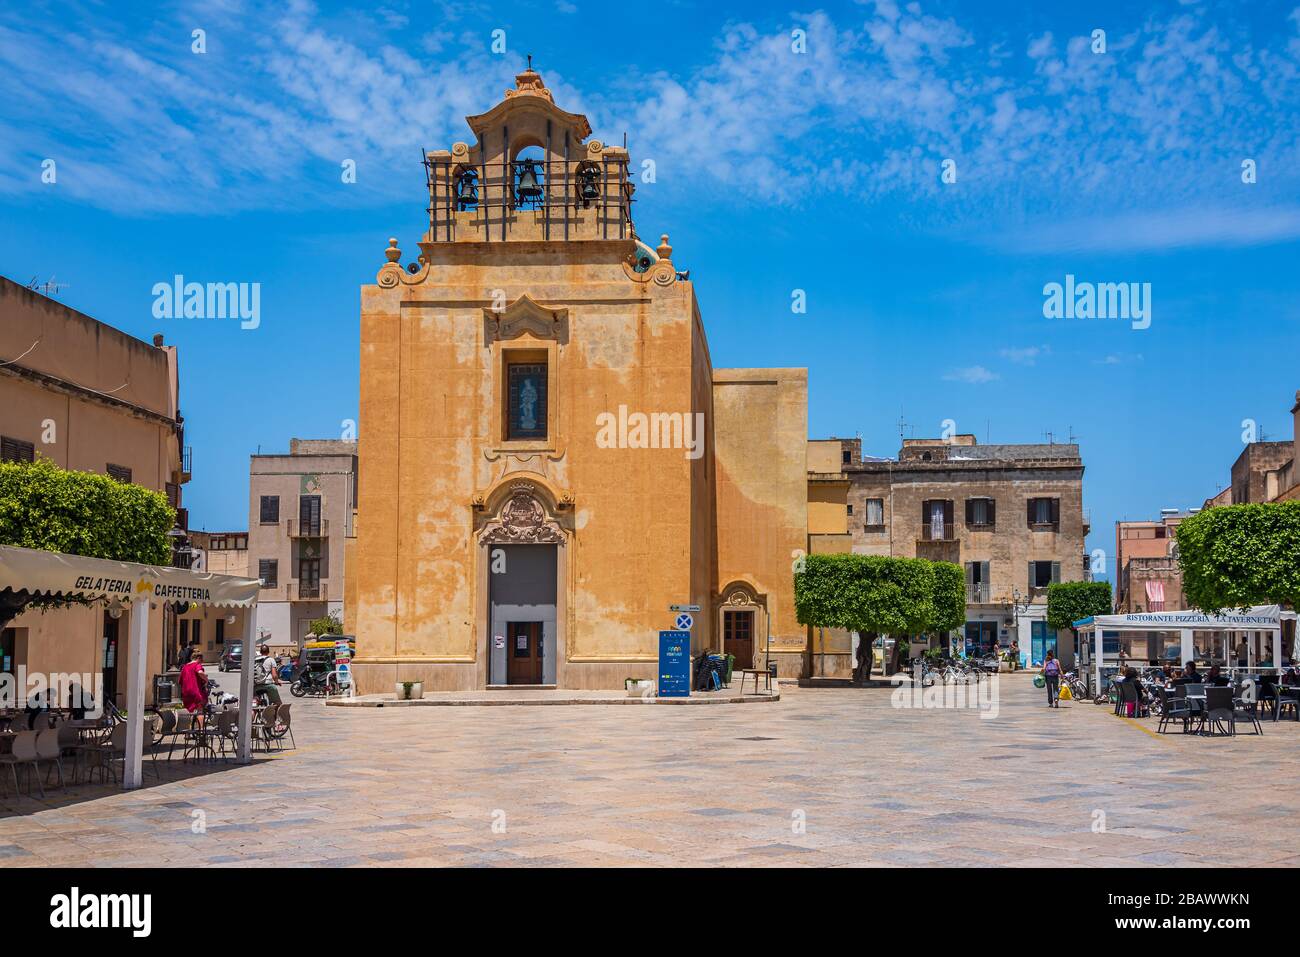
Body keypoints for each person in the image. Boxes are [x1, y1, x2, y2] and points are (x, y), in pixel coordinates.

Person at [178, 647, 209, 725]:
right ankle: (201, 730)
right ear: (198, 658)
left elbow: (180, 681)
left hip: (186, 693)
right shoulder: (197, 665)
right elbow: (200, 672)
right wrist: (206, 680)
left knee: (189, 712)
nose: (202, 662)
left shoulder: (185, 667)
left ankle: (188, 732)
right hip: (196, 692)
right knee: (200, 711)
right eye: (201, 660)